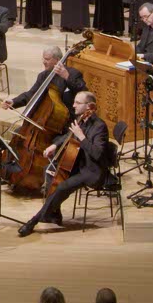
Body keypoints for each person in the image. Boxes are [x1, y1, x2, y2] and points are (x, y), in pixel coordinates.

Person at [18, 92, 115, 237]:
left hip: (92, 171)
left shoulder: (100, 127)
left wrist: (81, 136)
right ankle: (54, 214)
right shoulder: (81, 119)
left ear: (90, 106)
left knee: (62, 186)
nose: (73, 105)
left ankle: (33, 221)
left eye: (77, 103)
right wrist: (54, 146)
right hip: (78, 164)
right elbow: (67, 135)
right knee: (49, 170)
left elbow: (97, 154)